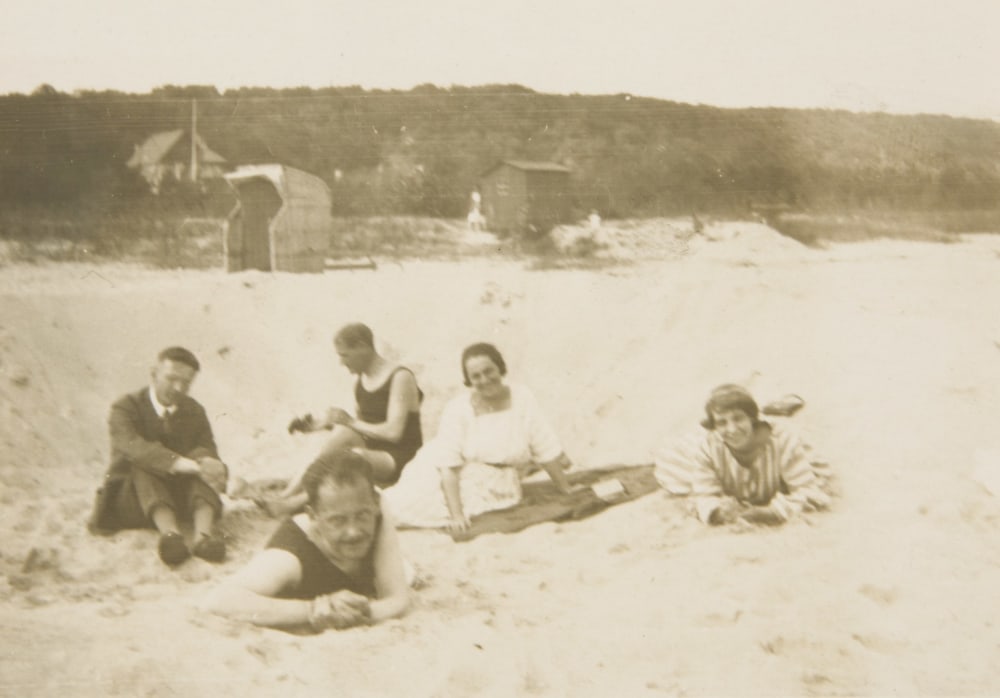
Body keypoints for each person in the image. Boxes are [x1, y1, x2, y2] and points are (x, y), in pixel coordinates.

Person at [203, 449, 410, 632]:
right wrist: (312, 610)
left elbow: (396, 598)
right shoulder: (291, 555)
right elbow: (219, 600)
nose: (353, 531)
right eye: (337, 521)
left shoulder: (377, 506)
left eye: (362, 516)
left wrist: (347, 615)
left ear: (373, 504)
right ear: (313, 516)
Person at [382, 342, 577, 534]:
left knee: (402, 510)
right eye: (476, 376)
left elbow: (544, 446)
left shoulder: (522, 397)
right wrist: (456, 514)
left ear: (500, 368)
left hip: (496, 485)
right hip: (443, 472)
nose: (484, 380)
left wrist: (565, 488)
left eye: (489, 371)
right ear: (468, 380)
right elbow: (448, 466)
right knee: (400, 505)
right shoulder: (458, 408)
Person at [88, 346, 229, 566]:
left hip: (181, 500)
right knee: (145, 461)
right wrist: (185, 464)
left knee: (201, 456)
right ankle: (171, 537)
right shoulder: (126, 407)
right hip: (132, 502)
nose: (178, 388)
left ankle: (203, 539)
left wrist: (209, 463)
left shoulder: (194, 411)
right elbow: (131, 446)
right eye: (171, 378)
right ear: (153, 373)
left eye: (186, 383)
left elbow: (207, 447)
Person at [268, 323, 423, 516]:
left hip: (401, 457)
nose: (342, 362)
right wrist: (320, 425)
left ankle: (296, 502)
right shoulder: (361, 381)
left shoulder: (400, 377)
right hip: (374, 449)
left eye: (344, 355)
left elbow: (394, 433)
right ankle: (285, 495)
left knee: (353, 456)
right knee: (342, 435)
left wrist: (348, 421)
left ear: (362, 347)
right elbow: (361, 425)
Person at [653, 384, 832, 526]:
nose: (731, 429)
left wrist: (771, 512)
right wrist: (719, 511)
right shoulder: (709, 447)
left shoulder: (782, 442)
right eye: (722, 422)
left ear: (752, 419)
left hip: (776, 484)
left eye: (738, 418)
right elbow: (704, 495)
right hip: (714, 467)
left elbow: (808, 491)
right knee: (680, 468)